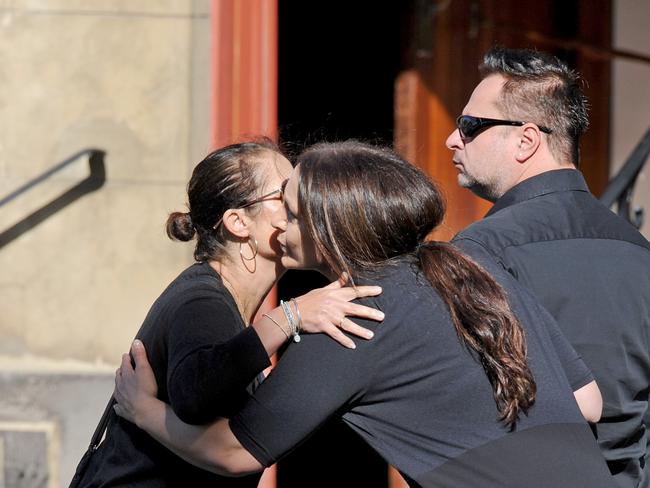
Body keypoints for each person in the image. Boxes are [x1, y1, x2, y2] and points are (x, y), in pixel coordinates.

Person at [113, 141, 615, 487]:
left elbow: (234, 452)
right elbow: (587, 399)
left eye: (289, 213)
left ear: (328, 226)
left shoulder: (354, 313)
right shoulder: (471, 265)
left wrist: (144, 411)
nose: (280, 228)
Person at [77, 140, 385, 487]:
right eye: (284, 195)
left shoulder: (221, 300)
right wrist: (291, 315)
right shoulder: (201, 302)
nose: (302, 203)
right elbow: (196, 393)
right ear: (239, 223)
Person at [446, 47, 650, 487]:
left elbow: (470, 401)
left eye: (469, 126)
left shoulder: (480, 249)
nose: (452, 139)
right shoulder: (638, 250)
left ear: (527, 140)